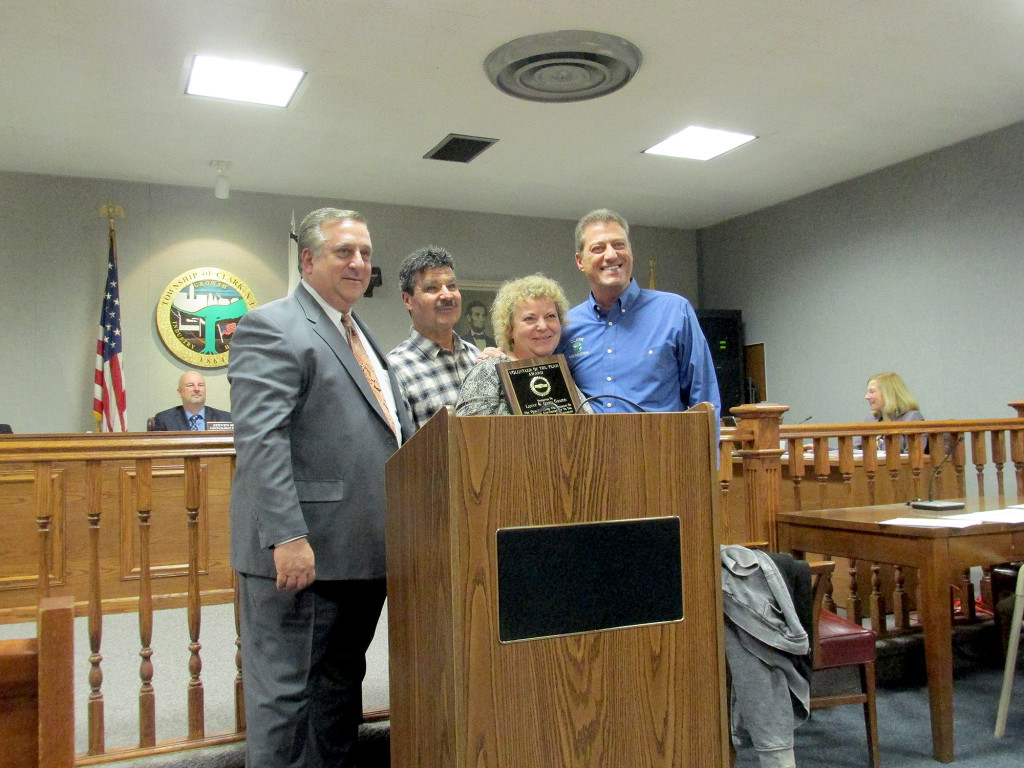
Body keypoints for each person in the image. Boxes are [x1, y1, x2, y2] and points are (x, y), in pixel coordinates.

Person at [228, 207, 413, 768]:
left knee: (335, 699)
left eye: (364, 253)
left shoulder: (358, 332)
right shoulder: (273, 325)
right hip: (302, 557)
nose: (358, 263)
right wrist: (287, 536)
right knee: (287, 702)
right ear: (308, 259)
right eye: (343, 252)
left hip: (357, 559)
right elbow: (261, 438)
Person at [558, 208, 721, 418]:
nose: (611, 255)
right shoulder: (567, 326)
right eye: (598, 248)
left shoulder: (675, 312)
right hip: (592, 450)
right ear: (580, 261)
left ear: (631, 252)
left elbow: (704, 399)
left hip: (662, 449)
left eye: (619, 245)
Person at [456, 274, 591, 416]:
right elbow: (469, 433)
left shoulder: (560, 373)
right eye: (530, 318)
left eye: (550, 316)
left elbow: (589, 426)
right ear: (509, 329)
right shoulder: (489, 371)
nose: (543, 326)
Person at [387, 246, 482, 431]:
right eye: (432, 288)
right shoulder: (394, 370)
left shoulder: (477, 358)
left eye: (452, 286)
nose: (447, 295)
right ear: (408, 300)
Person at [864, 371, 926, 453]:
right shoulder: (871, 420)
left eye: (872, 392)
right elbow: (857, 449)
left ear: (889, 393)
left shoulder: (912, 418)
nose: (866, 397)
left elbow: (914, 455)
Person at [151, 371, 231, 430]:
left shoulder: (226, 418)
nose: (196, 389)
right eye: (190, 385)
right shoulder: (165, 419)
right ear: (179, 392)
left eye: (201, 385)